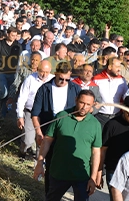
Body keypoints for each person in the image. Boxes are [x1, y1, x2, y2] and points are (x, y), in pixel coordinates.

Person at [33, 90, 103, 201]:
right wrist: (40, 162)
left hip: (82, 175)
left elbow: (96, 152)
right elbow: (47, 140)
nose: (84, 107)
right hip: (58, 172)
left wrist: (93, 178)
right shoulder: (62, 116)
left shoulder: (95, 124)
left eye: (88, 104)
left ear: (93, 105)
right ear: (76, 100)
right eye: (81, 102)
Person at [31, 62, 83, 193]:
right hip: (50, 132)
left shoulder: (76, 89)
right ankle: (50, 193)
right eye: (61, 79)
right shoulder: (45, 89)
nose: (64, 81)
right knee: (51, 163)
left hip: (70, 133)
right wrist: (38, 131)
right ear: (55, 74)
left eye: (67, 79)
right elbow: (35, 113)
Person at [98, 95, 129, 199]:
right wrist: (99, 173)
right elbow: (102, 150)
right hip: (114, 170)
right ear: (123, 109)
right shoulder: (111, 125)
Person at [15, 57, 51, 158]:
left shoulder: (52, 80)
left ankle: (38, 160)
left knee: (42, 139)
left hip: (45, 114)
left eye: (47, 72)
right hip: (30, 112)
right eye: (42, 72)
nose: (44, 75)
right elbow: (22, 98)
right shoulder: (30, 79)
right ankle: (23, 152)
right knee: (28, 140)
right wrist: (20, 116)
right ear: (37, 69)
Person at [0, 28, 22, 115]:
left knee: (10, 94)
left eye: (16, 36)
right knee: (4, 92)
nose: (14, 37)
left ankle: (3, 113)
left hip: (13, 72)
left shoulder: (18, 46)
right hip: (1, 71)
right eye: (12, 35)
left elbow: (21, 59)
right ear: (7, 34)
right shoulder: (0, 44)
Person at [93, 57, 128, 127]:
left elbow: (126, 96)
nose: (119, 69)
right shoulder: (96, 79)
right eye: (117, 67)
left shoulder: (121, 80)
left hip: (117, 116)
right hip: (100, 117)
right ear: (109, 67)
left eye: (120, 67)